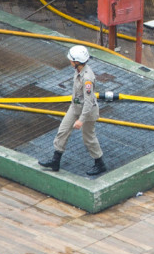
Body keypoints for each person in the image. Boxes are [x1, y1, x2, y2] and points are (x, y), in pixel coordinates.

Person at [39, 45, 107, 176]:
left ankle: (100, 164)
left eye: (71, 60)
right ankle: (55, 161)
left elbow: (88, 102)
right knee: (62, 131)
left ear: (77, 62)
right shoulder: (78, 71)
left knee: (89, 138)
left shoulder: (87, 78)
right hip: (75, 107)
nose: (70, 62)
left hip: (87, 112)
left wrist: (81, 120)